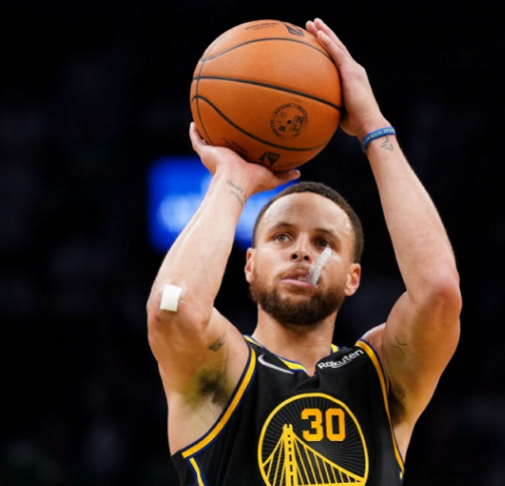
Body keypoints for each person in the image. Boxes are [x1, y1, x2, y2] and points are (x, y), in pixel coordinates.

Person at [146, 18, 462, 485]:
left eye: (324, 242)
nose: (302, 252)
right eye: (281, 237)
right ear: (249, 265)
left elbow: (438, 292)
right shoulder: (221, 370)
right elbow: (173, 307)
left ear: (353, 277)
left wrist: (375, 128)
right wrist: (232, 181)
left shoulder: (381, 376)